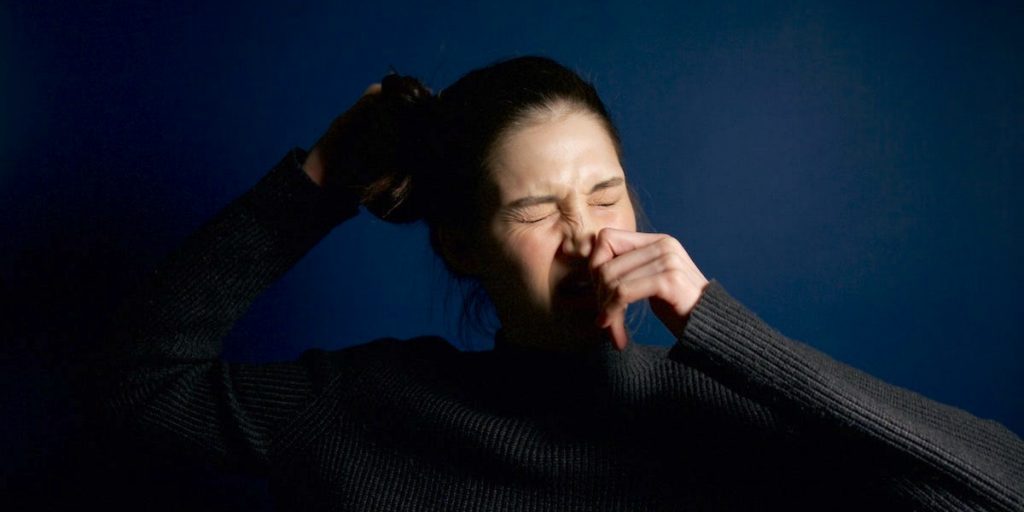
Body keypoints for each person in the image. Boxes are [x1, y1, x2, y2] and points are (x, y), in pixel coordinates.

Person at [94, 56, 1024, 510]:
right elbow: (135, 388)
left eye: (606, 194)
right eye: (536, 212)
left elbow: (1003, 488)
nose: (586, 239)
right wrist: (319, 183)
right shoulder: (367, 408)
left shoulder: (722, 413)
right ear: (461, 247)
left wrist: (724, 330)